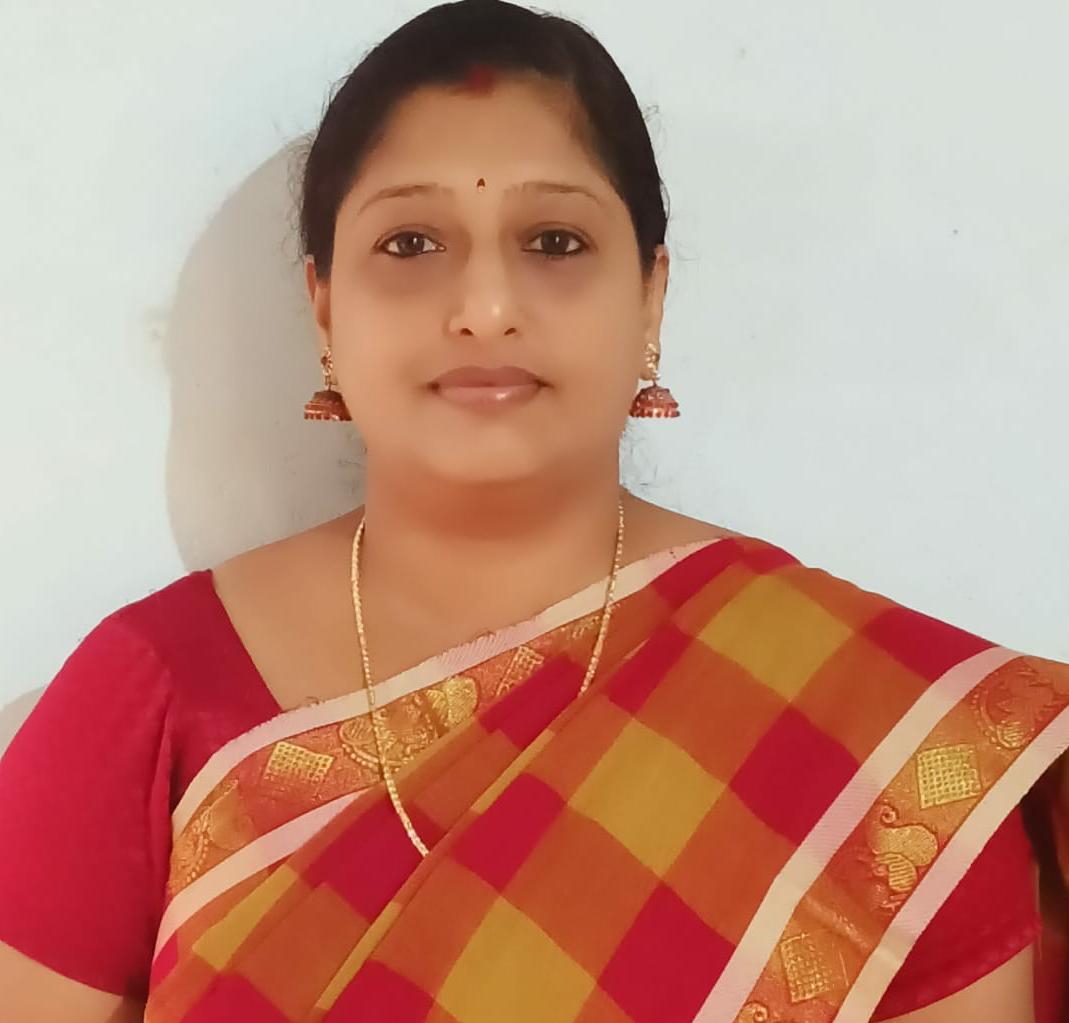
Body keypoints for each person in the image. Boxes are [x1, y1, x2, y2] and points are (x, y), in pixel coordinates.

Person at [1, 1, 1067, 1020]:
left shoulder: (878, 740)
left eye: (553, 242)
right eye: (410, 244)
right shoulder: (149, 699)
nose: (485, 308)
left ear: (649, 297)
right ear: (324, 309)